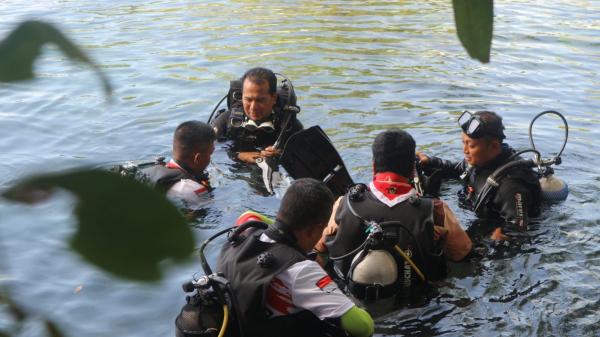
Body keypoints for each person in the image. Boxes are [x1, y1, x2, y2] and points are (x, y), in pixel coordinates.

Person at [315, 129, 472, 300]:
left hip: (349, 300)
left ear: (374, 166)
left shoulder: (343, 204)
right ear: (413, 170)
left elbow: (319, 248)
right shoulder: (436, 210)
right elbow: (462, 254)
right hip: (418, 308)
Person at [216, 178, 374, 337]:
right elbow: (364, 327)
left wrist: (281, 226)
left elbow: (249, 214)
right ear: (314, 230)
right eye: (321, 230)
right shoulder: (301, 270)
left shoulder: (243, 233)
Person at [417, 111, 542, 240]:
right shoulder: (480, 160)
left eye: (471, 145)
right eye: (463, 142)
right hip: (474, 213)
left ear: (494, 146)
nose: (464, 150)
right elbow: (457, 170)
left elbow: (519, 228)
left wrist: (501, 236)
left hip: (489, 227)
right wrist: (430, 162)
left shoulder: (511, 185)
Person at [211, 67, 303, 164]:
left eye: (260, 100)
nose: (253, 107)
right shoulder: (227, 120)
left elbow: (305, 155)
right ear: (241, 96)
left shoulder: (287, 124)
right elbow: (207, 150)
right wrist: (238, 155)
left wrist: (282, 154)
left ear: (274, 98)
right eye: (248, 99)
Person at [141, 120, 215, 206]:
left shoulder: (152, 173)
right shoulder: (194, 190)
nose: (210, 158)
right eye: (210, 153)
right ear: (197, 158)